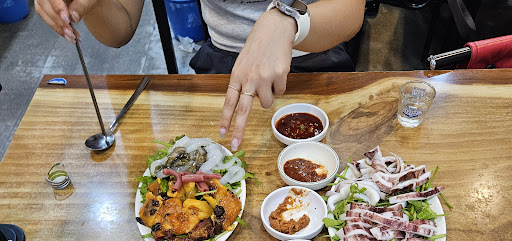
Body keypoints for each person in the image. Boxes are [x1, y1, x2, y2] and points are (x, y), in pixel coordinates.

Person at [35, 0, 365, 150]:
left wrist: (288, 19)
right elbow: (119, 30)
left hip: (315, 53)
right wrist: (86, 5)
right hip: (221, 67)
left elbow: (351, 11)